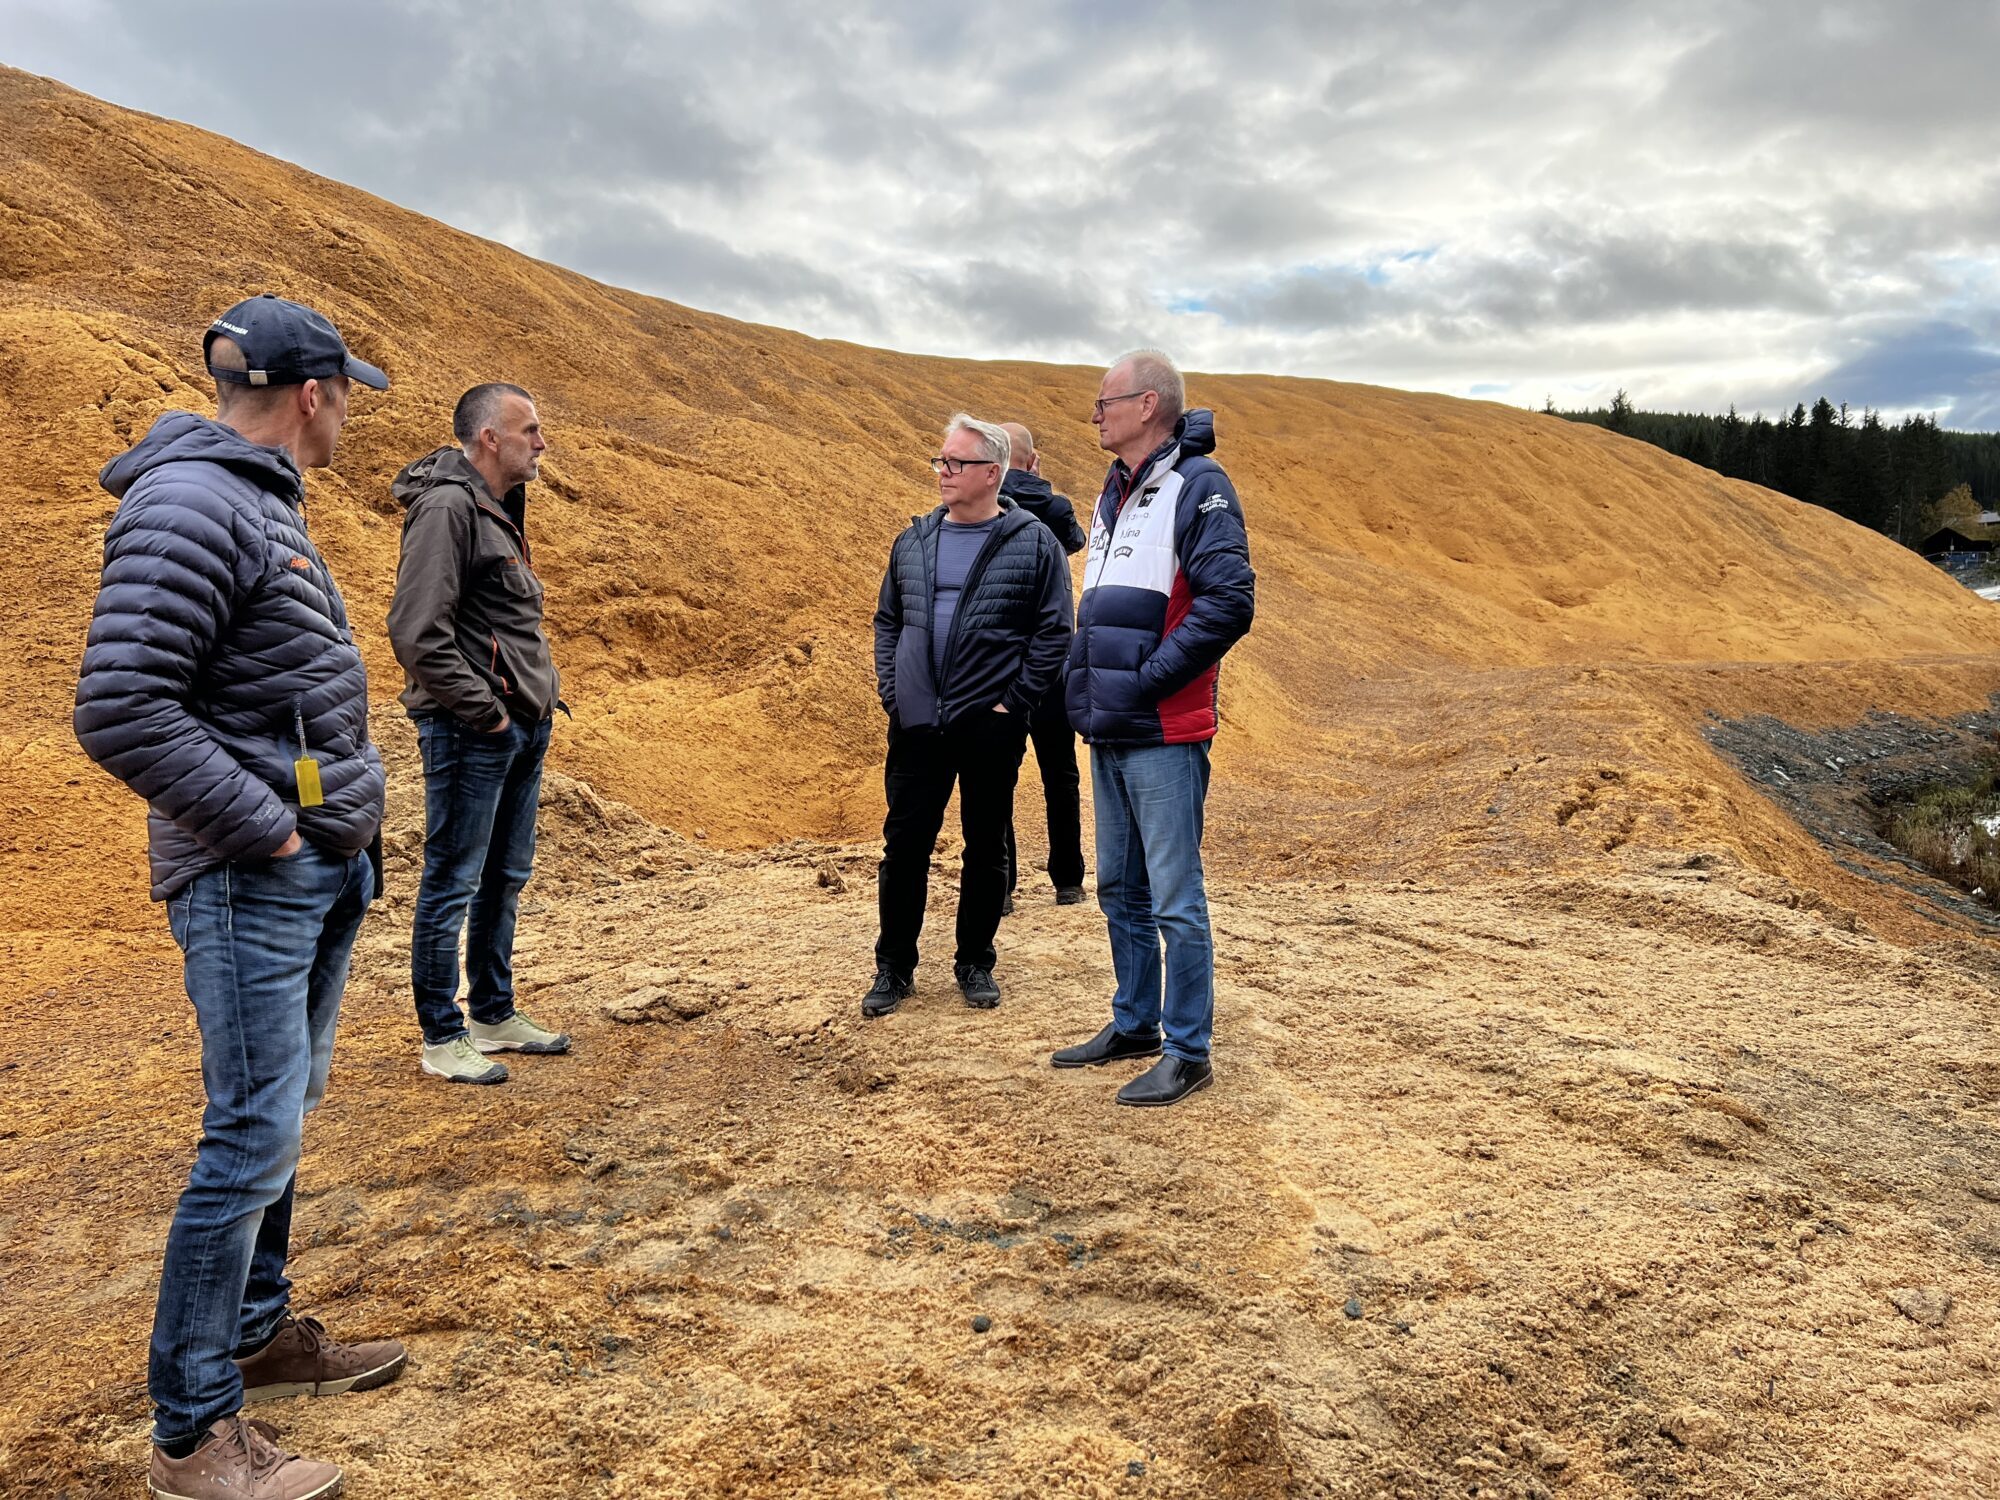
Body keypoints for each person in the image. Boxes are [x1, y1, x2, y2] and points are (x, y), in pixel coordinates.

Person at [75, 293, 404, 1500]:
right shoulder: (194, 500)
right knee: (247, 1135)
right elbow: (119, 708)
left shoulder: (248, 497)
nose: (349, 419)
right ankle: (192, 1434)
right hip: (248, 873)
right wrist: (268, 828)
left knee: (277, 1118)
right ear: (311, 394)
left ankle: (257, 1338)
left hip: (307, 861)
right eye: (345, 397)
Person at [1051, 350, 1255, 1106]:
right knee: (1120, 888)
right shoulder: (1114, 492)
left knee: (1173, 896)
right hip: (1109, 725)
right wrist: (1084, 684)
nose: (1094, 414)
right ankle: (1134, 1022)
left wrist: (1145, 681)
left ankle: (1188, 1051)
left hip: (1162, 728)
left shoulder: (1197, 487)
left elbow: (1227, 603)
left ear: (1147, 405)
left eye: (1104, 402)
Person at [388, 383, 569, 1084]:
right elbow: (416, 630)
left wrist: (529, 709)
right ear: (489, 437)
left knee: (503, 877)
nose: (541, 443)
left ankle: (493, 1014)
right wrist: (485, 713)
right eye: (529, 430)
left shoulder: (498, 506)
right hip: (474, 730)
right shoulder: (446, 508)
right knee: (453, 879)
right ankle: (442, 1033)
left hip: (520, 725)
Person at [865, 414, 1073, 1017]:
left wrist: (1014, 704)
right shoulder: (914, 540)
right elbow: (888, 621)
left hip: (989, 725)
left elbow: (1054, 632)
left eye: (954, 463)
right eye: (940, 461)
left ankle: (975, 962)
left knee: (985, 847)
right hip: (916, 724)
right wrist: (893, 689)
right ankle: (893, 967)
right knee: (904, 847)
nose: (942, 472)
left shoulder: (1034, 542)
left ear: (991, 473)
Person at [996, 421, 1088, 911]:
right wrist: (1042, 488)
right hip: (1052, 664)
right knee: (1061, 774)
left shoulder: (986, 505)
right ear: (1032, 460)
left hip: (1003, 669)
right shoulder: (1055, 508)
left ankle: (1003, 885)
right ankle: (1068, 881)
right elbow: (1075, 542)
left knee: (998, 778)